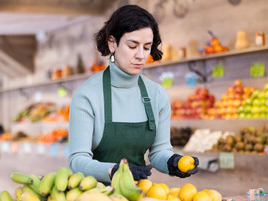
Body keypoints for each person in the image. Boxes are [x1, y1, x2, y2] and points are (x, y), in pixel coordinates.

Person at [68, 5, 199, 183]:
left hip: (139, 197)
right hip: (95, 200)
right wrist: (113, 170)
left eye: (147, 47)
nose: (140, 55)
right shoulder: (88, 95)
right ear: (112, 43)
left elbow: (159, 152)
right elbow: (77, 161)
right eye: (132, 46)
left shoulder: (157, 94)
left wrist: (173, 162)